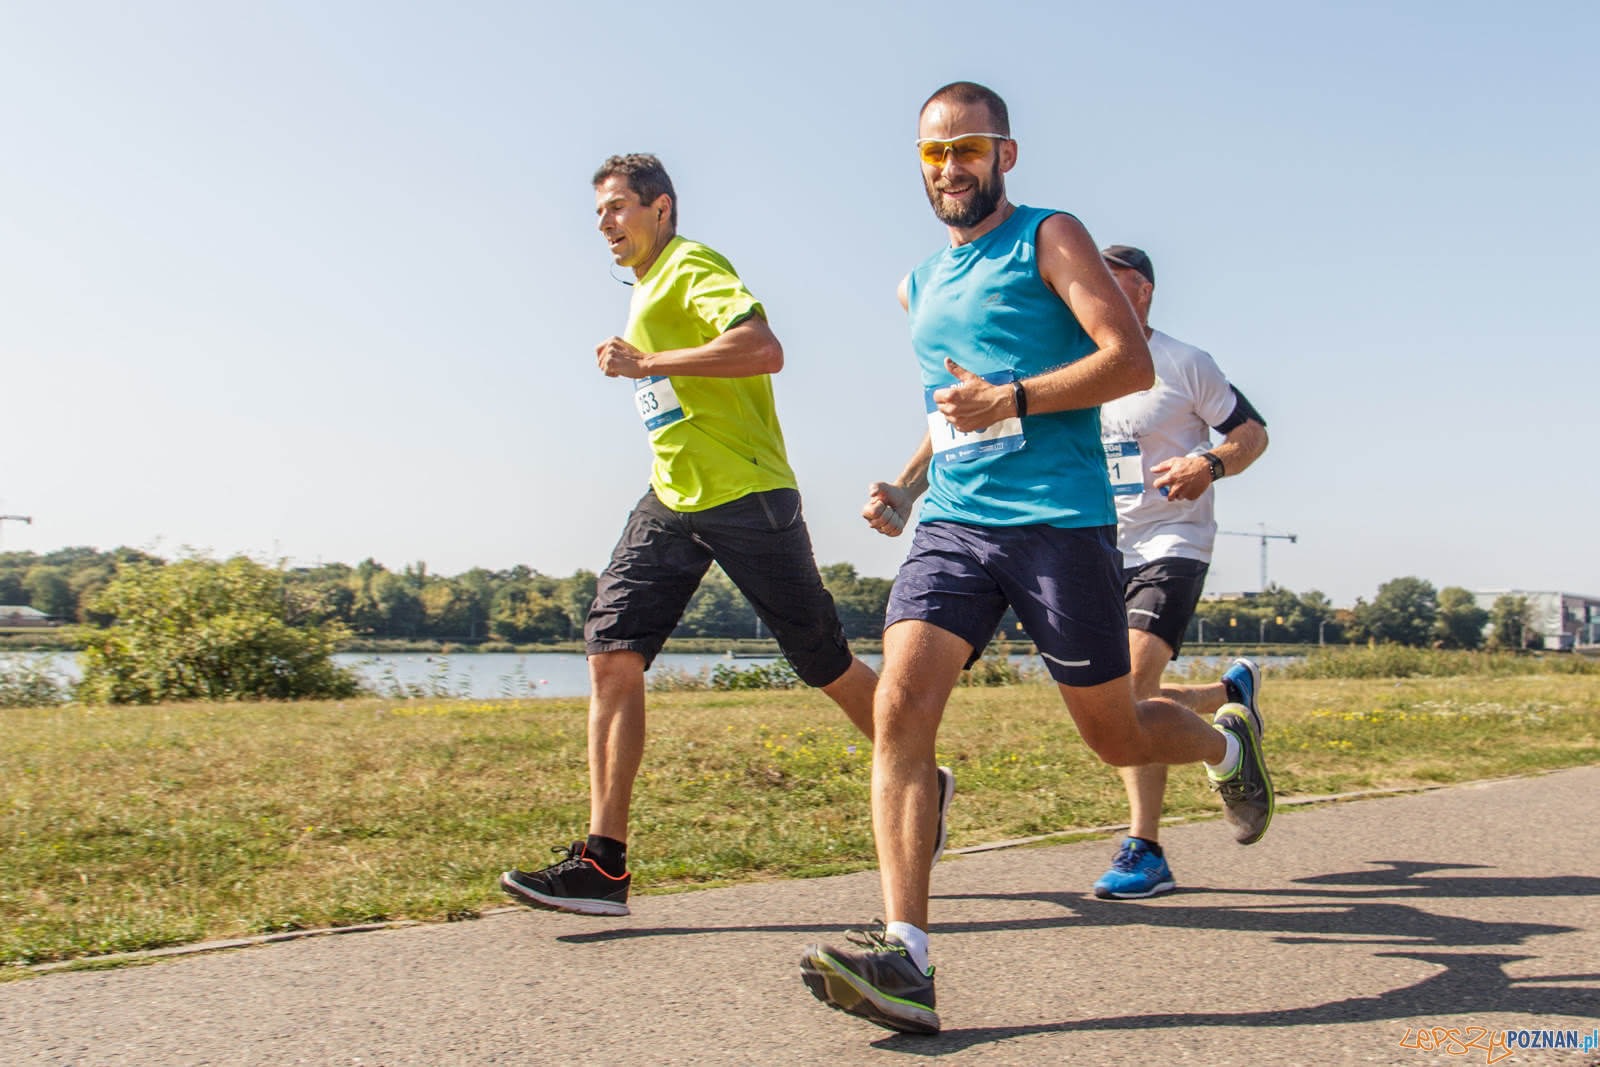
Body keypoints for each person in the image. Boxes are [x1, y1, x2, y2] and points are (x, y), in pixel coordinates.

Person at [798, 83, 1273, 1035]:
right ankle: (906, 955)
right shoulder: (917, 284)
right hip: (957, 525)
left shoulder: (1051, 236)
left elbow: (1128, 361)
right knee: (899, 706)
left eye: (967, 148)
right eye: (932, 153)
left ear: (1004, 154)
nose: (949, 168)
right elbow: (951, 409)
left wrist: (1013, 398)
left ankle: (1227, 745)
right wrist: (907, 486)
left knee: (1117, 734)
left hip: (1059, 523)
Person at [499, 154, 952, 918]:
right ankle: (603, 863)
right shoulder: (648, 285)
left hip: (746, 494)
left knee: (823, 660)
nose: (606, 223)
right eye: (599, 211)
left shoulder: (690, 265)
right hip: (672, 496)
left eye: (618, 206)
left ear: (661, 208)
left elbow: (764, 348)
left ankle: (921, 776)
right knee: (612, 651)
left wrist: (648, 360)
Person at [1091, 245, 1271, 900]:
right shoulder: (1077, 367)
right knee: (1110, 703)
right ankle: (1226, 697)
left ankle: (1146, 849)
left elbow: (1252, 432)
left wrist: (1210, 464)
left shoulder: (1184, 362)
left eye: (1108, 277)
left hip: (1173, 540)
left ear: (1141, 289)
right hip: (1101, 548)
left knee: (1131, 690)